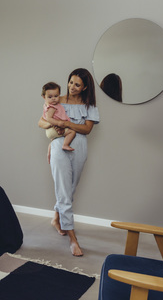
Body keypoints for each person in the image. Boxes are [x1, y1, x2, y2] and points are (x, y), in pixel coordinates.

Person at [38, 68, 99, 256]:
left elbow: (87, 130)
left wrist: (66, 124)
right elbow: (41, 122)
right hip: (59, 145)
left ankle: (57, 218)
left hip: (79, 146)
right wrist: (53, 137)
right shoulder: (57, 99)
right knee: (64, 191)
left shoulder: (89, 106)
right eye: (70, 82)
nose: (72, 87)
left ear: (85, 87)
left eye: (77, 85)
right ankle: (73, 239)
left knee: (70, 188)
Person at [42, 82, 76, 151]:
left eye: (56, 96)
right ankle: (65, 145)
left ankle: (52, 144)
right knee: (72, 132)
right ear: (44, 97)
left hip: (54, 129)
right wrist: (58, 123)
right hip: (53, 129)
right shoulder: (51, 107)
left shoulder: (51, 105)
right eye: (50, 97)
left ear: (59, 95)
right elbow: (48, 118)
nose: (53, 98)